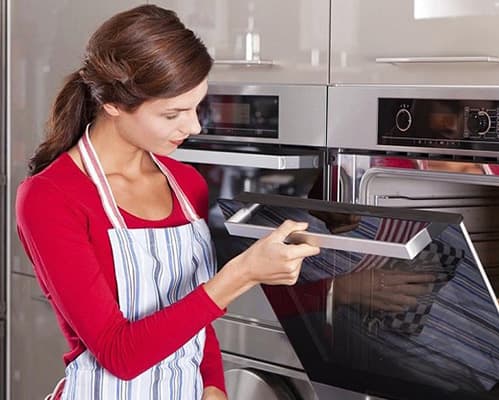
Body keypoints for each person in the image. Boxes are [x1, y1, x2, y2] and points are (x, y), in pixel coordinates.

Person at [15, 5, 319, 400]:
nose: (193, 127)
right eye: (173, 113)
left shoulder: (185, 183)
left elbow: (193, 314)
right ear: (113, 105)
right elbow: (118, 354)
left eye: (197, 106)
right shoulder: (51, 197)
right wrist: (241, 274)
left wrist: (213, 384)